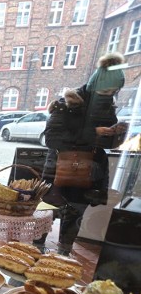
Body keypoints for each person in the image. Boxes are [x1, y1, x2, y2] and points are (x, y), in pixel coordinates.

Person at [40, 52, 125, 256]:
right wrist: (94, 134)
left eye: (113, 91)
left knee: (75, 217)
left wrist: (115, 135)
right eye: (105, 90)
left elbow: (105, 144)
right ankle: (34, 252)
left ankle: (62, 256)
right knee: (45, 216)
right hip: (60, 171)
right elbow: (52, 139)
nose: (108, 95)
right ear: (95, 85)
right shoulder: (67, 104)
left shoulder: (107, 108)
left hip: (89, 174)